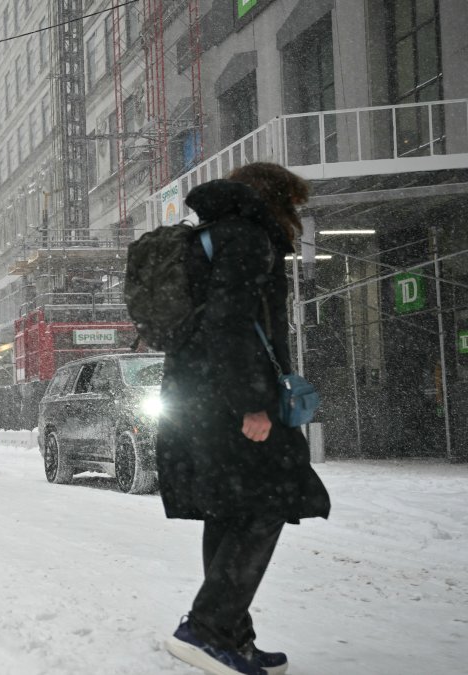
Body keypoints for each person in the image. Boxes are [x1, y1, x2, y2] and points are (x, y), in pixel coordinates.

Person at [155, 164, 331, 675]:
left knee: (230, 507)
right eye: (292, 205)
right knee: (267, 500)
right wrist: (250, 404)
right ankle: (207, 629)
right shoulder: (248, 238)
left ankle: (230, 636)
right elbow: (229, 324)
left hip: (196, 397)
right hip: (227, 401)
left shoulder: (208, 235)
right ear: (273, 199)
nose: (294, 217)